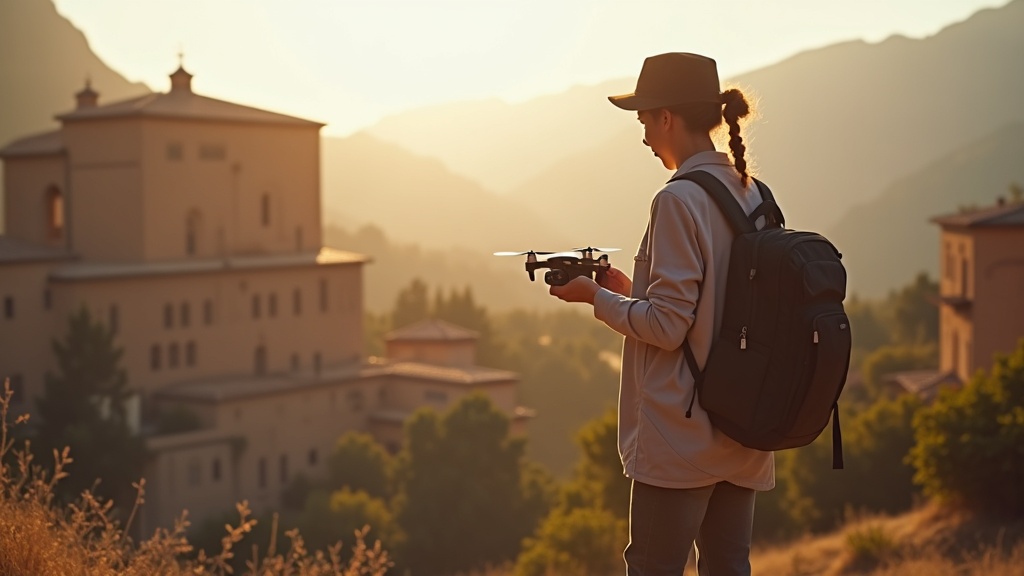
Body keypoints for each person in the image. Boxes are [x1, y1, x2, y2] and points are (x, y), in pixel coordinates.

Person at [548, 52, 775, 575]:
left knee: (653, 565)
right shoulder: (755, 194)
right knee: (728, 566)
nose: (645, 136)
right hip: (741, 432)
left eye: (645, 120)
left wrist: (595, 299)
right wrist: (631, 291)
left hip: (682, 437)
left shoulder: (678, 201)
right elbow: (710, 306)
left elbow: (669, 328)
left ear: (668, 117)